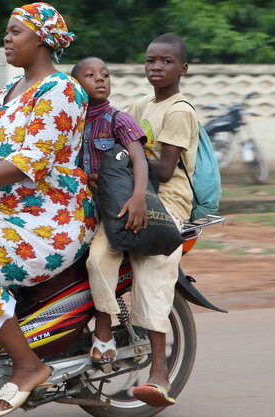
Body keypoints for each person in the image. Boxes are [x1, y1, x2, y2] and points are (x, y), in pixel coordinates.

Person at [0, 3, 95, 416]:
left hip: (51, 217)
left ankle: (28, 366)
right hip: (3, 209)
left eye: (14, 32)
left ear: (41, 39)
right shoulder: (7, 91)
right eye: (6, 32)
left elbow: (30, 162)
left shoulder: (62, 92)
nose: (6, 39)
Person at [88, 33, 199, 408]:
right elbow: (113, 133)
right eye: (151, 60)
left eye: (166, 62)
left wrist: (119, 163)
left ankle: (159, 373)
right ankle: (103, 330)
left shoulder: (179, 110)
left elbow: (165, 170)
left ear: (181, 69)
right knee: (97, 255)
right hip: (130, 194)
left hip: (164, 204)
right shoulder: (138, 106)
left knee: (151, 277)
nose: (156, 67)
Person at [70, 57, 150, 363]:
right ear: (76, 85)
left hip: (112, 212)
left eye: (105, 74)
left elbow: (139, 159)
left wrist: (139, 197)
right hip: (78, 211)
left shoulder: (119, 120)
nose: (100, 79)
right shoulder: (71, 126)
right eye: (90, 75)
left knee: (99, 260)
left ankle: (103, 329)